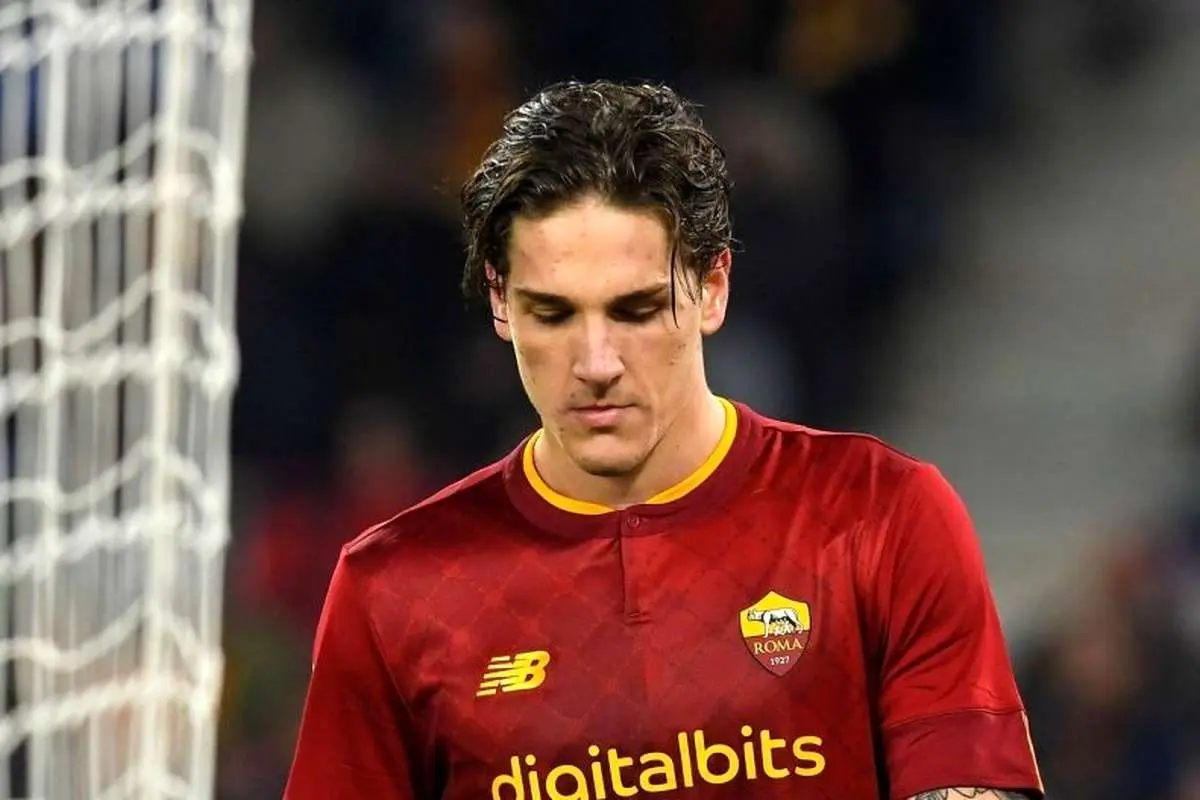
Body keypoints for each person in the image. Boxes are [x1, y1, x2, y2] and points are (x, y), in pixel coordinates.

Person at [283, 80, 1043, 800]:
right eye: (553, 314)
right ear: (500, 301)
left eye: (636, 310)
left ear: (712, 287)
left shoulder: (878, 517)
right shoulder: (395, 589)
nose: (596, 364)